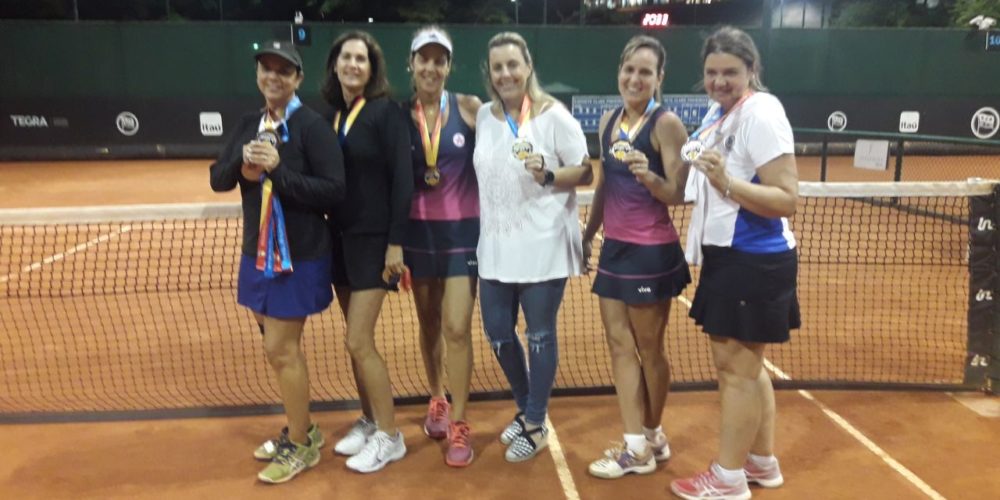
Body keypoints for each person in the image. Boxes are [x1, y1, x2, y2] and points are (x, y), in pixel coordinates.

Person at [669, 26, 800, 500]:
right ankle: (761, 462)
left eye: (730, 72)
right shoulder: (720, 112)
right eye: (711, 72)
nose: (719, 80)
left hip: (753, 259)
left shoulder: (761, 114)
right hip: (729, 256)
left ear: (751, 69)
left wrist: (727, 182)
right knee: (749, 367)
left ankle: (727, 479)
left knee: (736, 372)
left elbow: (786, 198)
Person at [209, 40, 345, 484]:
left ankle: (300, 445)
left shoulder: (313, 127)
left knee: (280, 350)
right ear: (258, 75)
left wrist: (279, 171)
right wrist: (243, 164)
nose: (274, 77)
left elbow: (334, 191)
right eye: (266, 69)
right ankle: (303, 426)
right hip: (257, 254)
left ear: (297, 79)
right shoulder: (248, 124)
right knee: (278, 348)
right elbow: (217, 179)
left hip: (299, 257)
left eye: (284, 71)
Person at [473, 31, 592, 463]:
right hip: (494, 248)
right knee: (497, 333)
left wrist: (548, 174)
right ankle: (526, 408)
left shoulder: (553, 116)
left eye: (513, 65)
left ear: (527, 67)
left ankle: (536, 422)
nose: (505, 73)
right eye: (498, 67)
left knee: (539, 335)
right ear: (489, 73)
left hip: (543, 246)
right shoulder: (484, 116)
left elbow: (585, 172)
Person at [582, 35, 691, 480]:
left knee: (649, 349)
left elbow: (678, 194)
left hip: (652, 253)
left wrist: (651, 178)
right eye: (629, 70)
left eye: (645, 72)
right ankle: (639, 445)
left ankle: (650, 433)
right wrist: (587, 235)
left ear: (659, 77)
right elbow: (604, 185)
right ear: (619, 72)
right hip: (614, 249)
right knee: (619, 345)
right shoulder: (608, 121)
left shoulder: (667, 125)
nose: (635, 78)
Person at [321, 31, 414, 474]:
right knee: (353, 340)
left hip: (375, 242)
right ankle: (370, 418)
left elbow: (402, 180)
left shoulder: (386, 113)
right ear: (335, 65)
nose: (353, 64)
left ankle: (391, 437)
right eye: (346, 57)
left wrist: (396, 242)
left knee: (359, 340)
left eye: (361, 58)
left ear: (372, 68)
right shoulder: (333, 115)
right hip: (340, 240)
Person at [402, 26, 483, 468]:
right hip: (418, 237)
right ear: (411, 64)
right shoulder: (400, 115)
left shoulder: (470, 108)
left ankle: (461, 422)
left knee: (456, 327)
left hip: (462, 236)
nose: (431, 67)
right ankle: (437, 398)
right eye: (424, 58)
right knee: (429, 323)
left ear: (449, 66)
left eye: (439, 60)